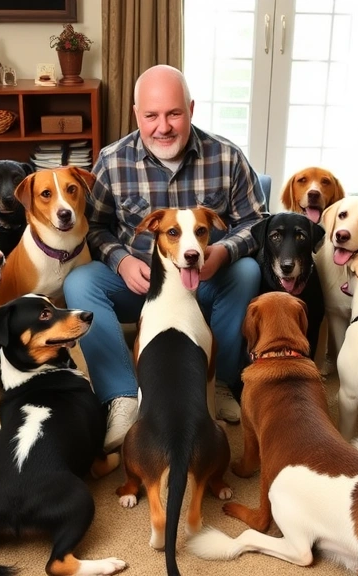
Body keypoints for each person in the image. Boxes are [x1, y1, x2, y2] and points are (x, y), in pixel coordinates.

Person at [63, 65, 265, 452]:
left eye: (174, 114)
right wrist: (121, 260)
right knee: (79, 282)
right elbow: (94, 227)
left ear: (190, 109)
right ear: (136, 113)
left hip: (203, 282)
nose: (163, 127)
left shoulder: (227, 157)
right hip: (139, 286)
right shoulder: (112, 160)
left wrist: (221, 252)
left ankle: (218, 381)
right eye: (151, 116)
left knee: (246, 270)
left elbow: (256, 221)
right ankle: (120, 395)